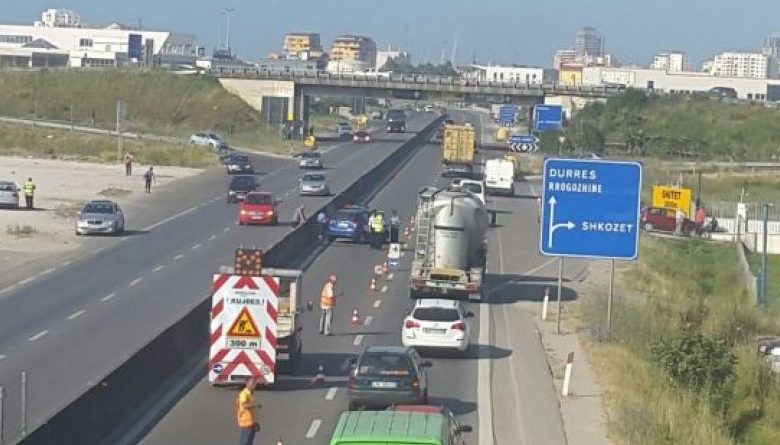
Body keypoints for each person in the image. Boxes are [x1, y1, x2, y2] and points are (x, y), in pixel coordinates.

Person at [236, 377, 261, 445]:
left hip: (250, 423)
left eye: (255, 383)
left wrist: (255, 423)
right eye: (252, 383)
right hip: (245, 423)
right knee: (245, 443)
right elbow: (244, 405)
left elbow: (251, 411)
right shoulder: (244, 394)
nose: (254, 385)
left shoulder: (250, 393)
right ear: (246, 383)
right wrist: (256, 405)